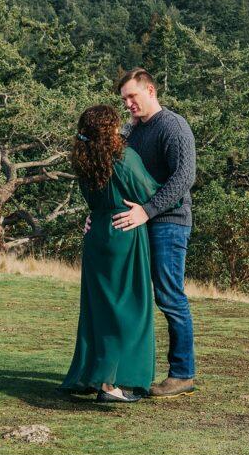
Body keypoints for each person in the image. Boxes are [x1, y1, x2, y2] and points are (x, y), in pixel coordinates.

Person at [85, 68, 197, 399]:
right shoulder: (132, 132)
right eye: (124, 99)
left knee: (168, 295)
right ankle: (123, 374)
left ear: (150, 89)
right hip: (138, 223)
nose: (129, 104)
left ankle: (182, 373)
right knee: (133, 297)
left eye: (133, 96)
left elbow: (184, 178)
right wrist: (95, 214)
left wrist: (146, 210)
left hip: (169, 222)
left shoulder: (173, 126)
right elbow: (114, 174)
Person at [61, 104, 165, 402]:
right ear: (110, 128)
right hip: (124, 231)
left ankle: (97, 376)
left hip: (97, 233)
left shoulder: (84, 159)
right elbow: (148, 191)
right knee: (130, 308)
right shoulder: (122, 157)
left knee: (101, 309)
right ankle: (111, 384)